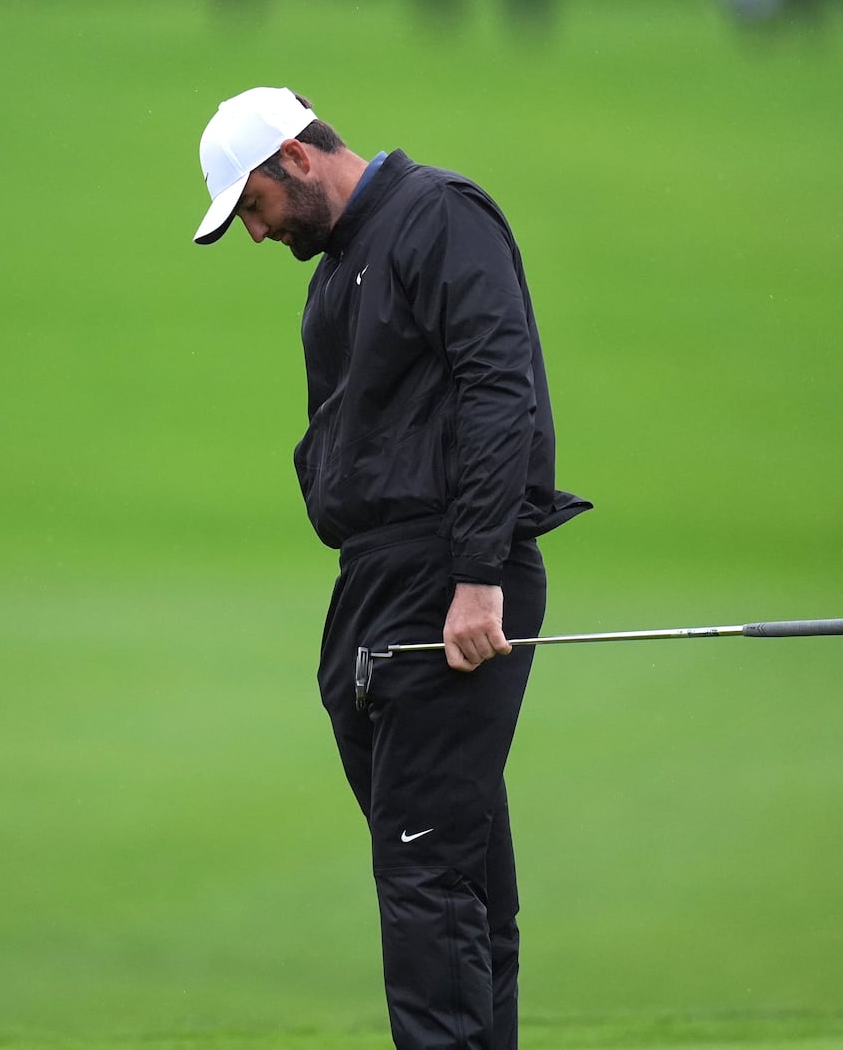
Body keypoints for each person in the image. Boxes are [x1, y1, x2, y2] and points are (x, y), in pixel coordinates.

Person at [191, 86, 589, 1050]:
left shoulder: (439, 216)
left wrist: (479, 572)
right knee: (455, 868)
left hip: (449, 572)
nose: (253, 232)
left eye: (252, 205)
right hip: (374, 585)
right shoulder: (332, 273)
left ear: (295, 154)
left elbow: (502, 388)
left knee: (423, 869)